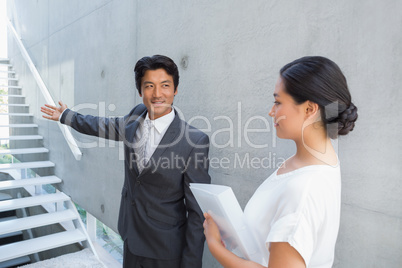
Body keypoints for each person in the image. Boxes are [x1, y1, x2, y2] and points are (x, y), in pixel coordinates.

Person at [41, 55, 211, 268]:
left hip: (165, 250)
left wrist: (191, 264)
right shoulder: (136, 116)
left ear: (175, 89)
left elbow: (198, 213)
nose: (157, 94)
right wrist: (67, 116)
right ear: (140, 92)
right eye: (149, 86)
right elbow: (102, 125)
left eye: (165, 85)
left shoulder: (194, 141)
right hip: (130, 236)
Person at [203, 56, 358, 268]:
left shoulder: (303, 188)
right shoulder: (311, 162)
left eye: (278, 102)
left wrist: (215, 247)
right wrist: (233, 231)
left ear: (309, 110)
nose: (271, 111)